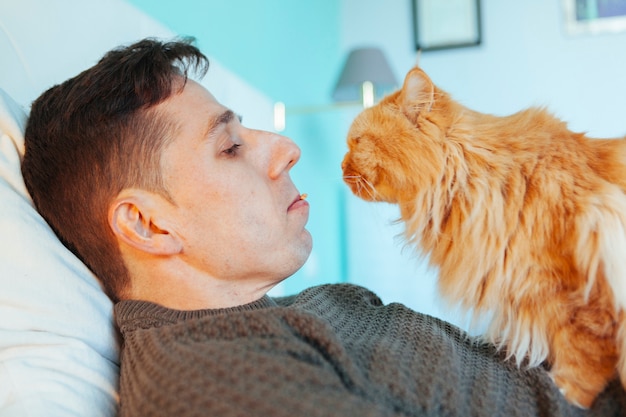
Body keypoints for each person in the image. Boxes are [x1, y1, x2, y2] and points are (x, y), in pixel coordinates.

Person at [21, 38, 626, 417]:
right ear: (148, 224)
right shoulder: (220, 379)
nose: (286, 148)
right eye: (231, 146)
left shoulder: (313, 308)